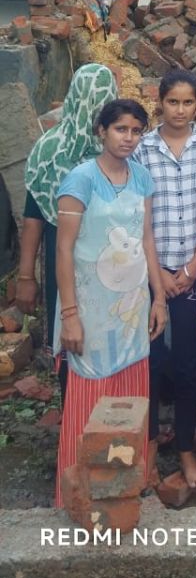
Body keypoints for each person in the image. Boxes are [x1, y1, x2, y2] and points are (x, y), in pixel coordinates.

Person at [54, 98, 167, 506]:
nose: (129, 138)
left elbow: (147, 240)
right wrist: (70, 316)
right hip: (90, 311)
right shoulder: (79, 180)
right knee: (89, 401)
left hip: (132, 310)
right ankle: (79, 499)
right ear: (102, 131)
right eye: (121, 129)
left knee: (128, 403)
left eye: (137, 130)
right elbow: (64, 252)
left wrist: (160, 300)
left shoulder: (142, 178)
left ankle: (120, 497)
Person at [132, 68, 196, 490]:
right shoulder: (143, 150)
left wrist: (191, 269)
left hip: (192, 274)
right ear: (160, 102)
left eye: (188, 103)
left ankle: (186, 453)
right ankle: (148, 454)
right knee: (149, 365)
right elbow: (139, 218)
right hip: (149, 273)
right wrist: (159, 280)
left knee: (188, 367)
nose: (181, 110)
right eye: (173, 102)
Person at [16, 64, 118, 399]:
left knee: (109, 337)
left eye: (102, 100)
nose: (94, 109)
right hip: (64, 261)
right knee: (70, 338)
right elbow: (34, 218)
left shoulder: (120, 147)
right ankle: (74, 415)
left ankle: (108, 419)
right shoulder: (50, 151)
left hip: (112, 262)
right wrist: (26, 277)